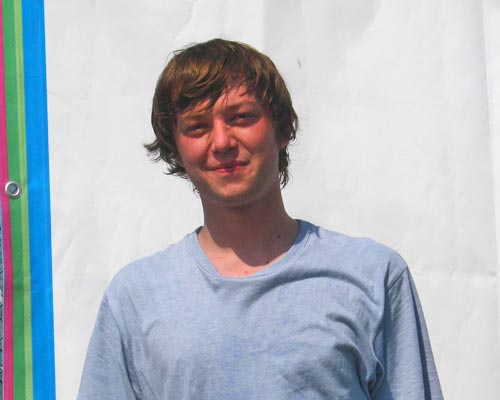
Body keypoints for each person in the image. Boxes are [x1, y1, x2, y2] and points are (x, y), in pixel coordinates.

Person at [78, 39, 443, 399]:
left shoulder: (373, 276)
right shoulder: (135, 297)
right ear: (176, 148)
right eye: (197, 127)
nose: (222, 142)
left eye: (241, 117)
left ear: (282, 128)